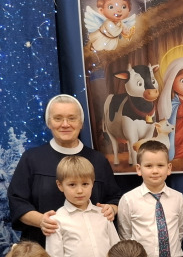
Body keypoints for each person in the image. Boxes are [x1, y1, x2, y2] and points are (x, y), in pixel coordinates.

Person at [7, 93, 121, 246]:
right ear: (49, 123)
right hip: (42, 247)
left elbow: (114, 198)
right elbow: (18, 202)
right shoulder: (32, 159)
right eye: (58, 118)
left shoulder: (98, 161)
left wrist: (111, 209)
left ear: (81, 123)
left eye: (72, 118)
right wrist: (41, 220)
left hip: (90, 249)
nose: (65, 124)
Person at [45, 155, 120, 257]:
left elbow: (117, 251)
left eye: (85, 184)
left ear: (93, 183)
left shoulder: (103, 214)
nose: (79, 190)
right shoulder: (57, 221)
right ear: (60, 185)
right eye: (72, 184)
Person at [117, 140, 183, 257]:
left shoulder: (178, 198)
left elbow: (180, 231)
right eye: (148, 166)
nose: (155, 171)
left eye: (160, 165)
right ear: (139, 169)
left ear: (169, 168)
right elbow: (125, 236)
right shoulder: (129, 200)